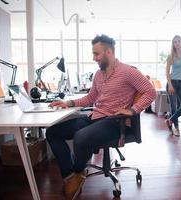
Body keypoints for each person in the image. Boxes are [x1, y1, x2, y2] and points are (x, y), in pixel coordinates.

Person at [46, 34, 156, 200]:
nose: (94, 58)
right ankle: (71, 176)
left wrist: (133, 110)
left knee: (81, 137)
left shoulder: (128, 72)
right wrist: (67, 103)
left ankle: (77, 172)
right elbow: (90, 98)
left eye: (97, 54)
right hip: (94, 116)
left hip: (113, 121)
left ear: (109, 52)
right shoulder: (98, 74)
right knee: (52, 132)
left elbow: (150, 91)